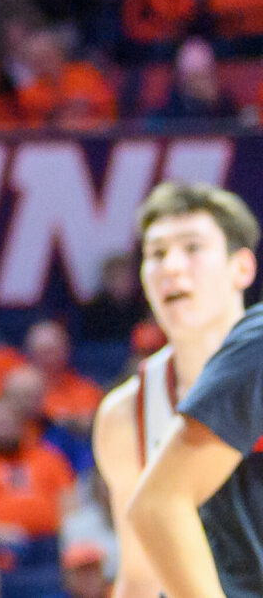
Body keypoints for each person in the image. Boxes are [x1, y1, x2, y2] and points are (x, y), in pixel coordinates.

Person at [103, 183, 263, 596]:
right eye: (156, 254)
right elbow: (138, 578)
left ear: (242, 268)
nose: (172, 266)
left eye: (192, 248)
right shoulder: (125, 414)